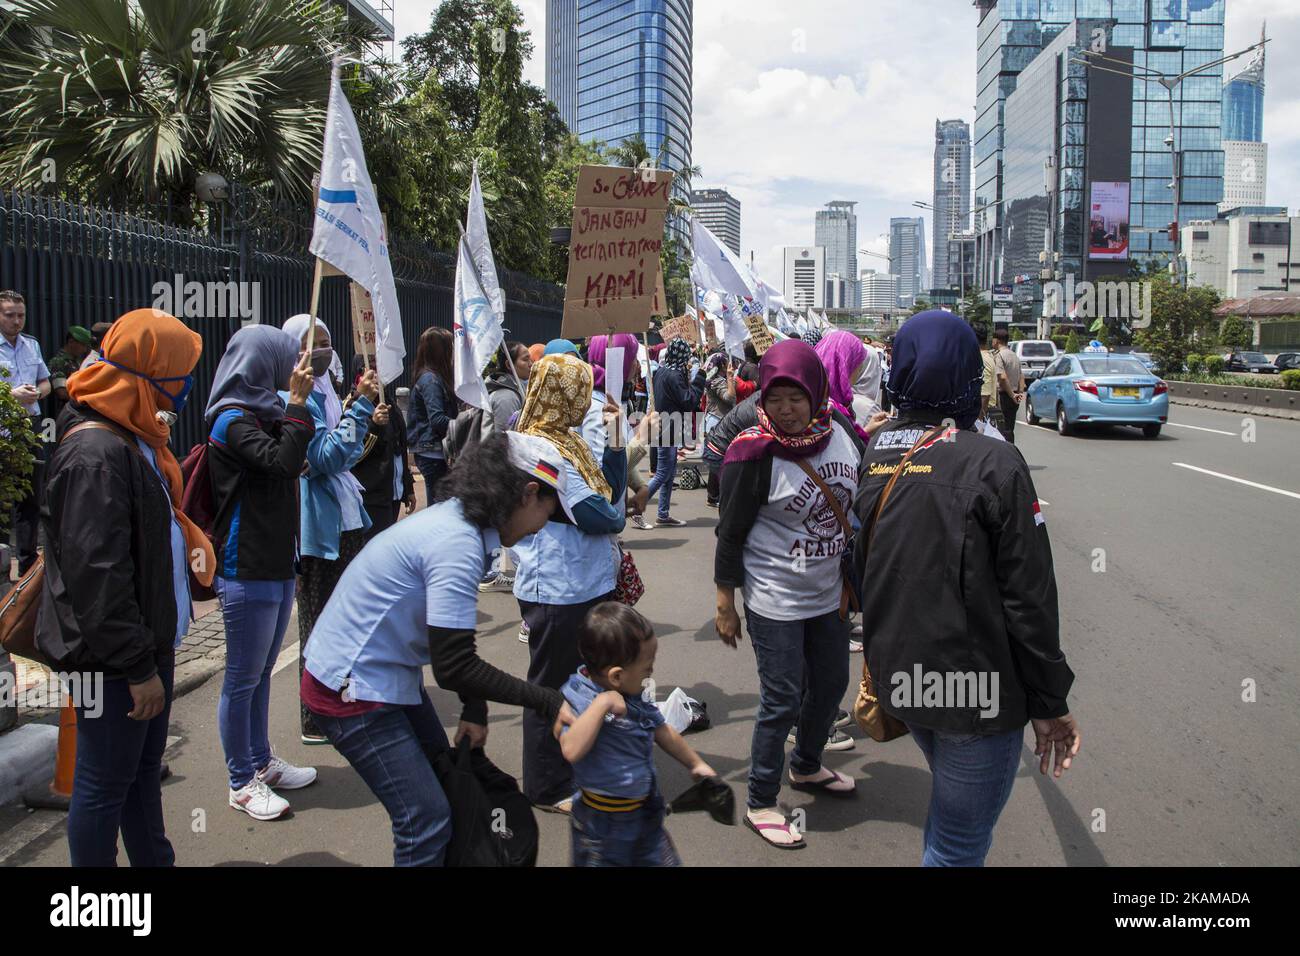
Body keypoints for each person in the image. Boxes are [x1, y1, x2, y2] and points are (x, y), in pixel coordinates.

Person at [854, 310, 1080, 867]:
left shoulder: (876, 453)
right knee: (959, 847)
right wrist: (1050, 701)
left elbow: (863, 569)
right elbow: (1029, 596)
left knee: (950, 828)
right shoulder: (995, 459)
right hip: (973, 692)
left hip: (901, 677)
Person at [302, 433, 580, 866]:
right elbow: (454, 665)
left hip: (381, 676)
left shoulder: (460, 523)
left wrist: (475, 711)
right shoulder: (457, 543)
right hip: (350, 689)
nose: (546, 522)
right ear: (528, 493)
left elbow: (452, 646)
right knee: (424, 820)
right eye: (550, 508)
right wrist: (547, 700)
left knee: (444, 785)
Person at [36, 307, 214, 866]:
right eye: (177, 372)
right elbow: (98, 577)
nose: (184, 387)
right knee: (103, 785)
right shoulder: (95, 453)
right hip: (113, 660)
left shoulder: (132, 433)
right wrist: (138, 668)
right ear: (147, 372)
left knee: (139, 779)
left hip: (139, 647)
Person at [714, 340, 861, 850]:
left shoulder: (840, 432)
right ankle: (759, 800)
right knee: (781, 698)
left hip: (828, 594)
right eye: (775, 398)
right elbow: (729, 533)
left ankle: (806, 765)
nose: (786, 409)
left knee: (830, 684)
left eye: (797, 397)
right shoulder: (751, 452)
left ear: (816, 392)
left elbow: (857, 502)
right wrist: (724, 602)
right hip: (774, 596)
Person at [205, 325, 320, 820]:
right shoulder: (230, 421)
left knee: (263, 674)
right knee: (241, 677)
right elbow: (283, 463)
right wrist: (295, 404)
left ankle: (260, 760)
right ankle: (239, 780)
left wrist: (293, 408)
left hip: (274, 561)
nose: (290, 367)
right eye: (283, 359)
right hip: (244, 563)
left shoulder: (265, 414)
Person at [511, 352, 628, 812]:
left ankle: (573, 760)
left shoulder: (568, 440)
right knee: (551, 686)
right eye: (580, 391)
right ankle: (546, 785)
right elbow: (598, 514)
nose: (587, 400)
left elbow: (609, 491)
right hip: (557, 586)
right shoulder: (537, 446)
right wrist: (617, 513)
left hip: (584, 582)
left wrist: (618, 441)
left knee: (579, 683)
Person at [279, 314, 387, 742]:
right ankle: (316, 716)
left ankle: (340, 701)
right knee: (319, 622)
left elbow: (343, 453)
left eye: (326, 341)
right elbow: (326, 455)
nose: (323, 350)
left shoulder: (323, 390)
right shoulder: (294, 399)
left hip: (345, 516)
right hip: (319, 528)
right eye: (313, 344)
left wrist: (354, 413)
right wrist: (359, 407)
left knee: (345, 620)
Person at [561, 602, 716, 867]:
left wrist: (695, 762)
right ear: (617, 676)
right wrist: (602, 704)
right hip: (601, 827)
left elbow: (663, 730)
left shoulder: (633, 697)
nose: (651, 672)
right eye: (647, 667)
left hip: (644, 813)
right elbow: (571, 749)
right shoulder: (580, 699)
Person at [1, 290, 51, 575]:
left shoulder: (31, 345)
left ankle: (27, 563)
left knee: (30, 498)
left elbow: (44, 381)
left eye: (20, 315)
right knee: (3, 501)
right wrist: (11, 394)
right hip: (2, 430)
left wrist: (36, 394)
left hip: (28, 430)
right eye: (9, 315)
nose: (16, 321)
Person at [346, 354, 416, 540]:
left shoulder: (388, 402)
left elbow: (400, 448)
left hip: (392, 494)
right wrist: (374, 425)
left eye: (379, 368)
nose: (375, 374)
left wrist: (408, 487)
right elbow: (352, 451)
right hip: (370, 497)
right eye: (369, 368)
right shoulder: (352, 405)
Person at [640, 338, 705, 530]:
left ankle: (663, 513)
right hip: (669, 427)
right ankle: (637, 509)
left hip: (667, 425)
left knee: (668, 474)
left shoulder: (661, 371)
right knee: (662, 474)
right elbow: (688, 400)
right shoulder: (675, 375)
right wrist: (699, 379)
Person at [408, 326, 455, 492]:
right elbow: (437, 420)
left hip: (434, 451)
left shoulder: (435, 378)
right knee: (438, 506)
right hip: (432, 453)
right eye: (451, 347)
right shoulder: (430, 381)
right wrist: (465, 422)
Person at [701, 350, 737, 507]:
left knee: (717, 460)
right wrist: (730, 379)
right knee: (718, 460)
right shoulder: (717, 381)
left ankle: (714, 495)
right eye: (727, 363)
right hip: (717, 422)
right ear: (722, 365)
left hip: (716, 421)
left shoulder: (714, 379)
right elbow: (729, 397)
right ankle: (714, 496)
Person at [46, 325, 93, 422]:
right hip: (67, 416)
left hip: (81, 414)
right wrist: (85, 400)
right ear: (71, 342)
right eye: (82, 345)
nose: (84, 350)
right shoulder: (58, 362)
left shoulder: (79, 362)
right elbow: (62, 393)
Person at [991, 330, 1025, 444]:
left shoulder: (1000, 355)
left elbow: (1003, 377)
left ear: (997, 340)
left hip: (1004, 395)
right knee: (1010, 428)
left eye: (993, 339)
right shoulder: (1014, 355)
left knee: (1002, 428)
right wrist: (1019, 393)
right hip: (1014, 395)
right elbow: (1021, 376)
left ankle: (1005, 455)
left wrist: (1011, 394)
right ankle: (1011, 450)